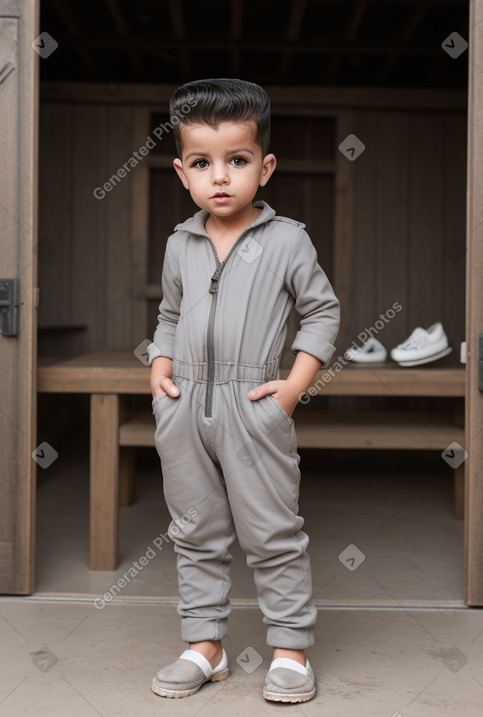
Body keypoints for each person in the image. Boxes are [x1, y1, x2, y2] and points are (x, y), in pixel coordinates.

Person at [147, 77, 340, 704]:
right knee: (194, 530)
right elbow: (170, 315)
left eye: (238, 160)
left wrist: (291, 391)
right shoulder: (181, 243)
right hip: (184, 408)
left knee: (271, 532)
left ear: (266, 165)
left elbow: (323, 314)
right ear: (182, 172)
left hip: (254, 404)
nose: (221, 177)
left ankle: (289, 650)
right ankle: (205, 645)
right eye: (203, 163)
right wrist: (159, 365)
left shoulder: (287, 240)